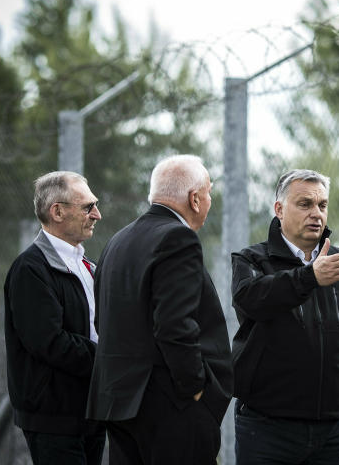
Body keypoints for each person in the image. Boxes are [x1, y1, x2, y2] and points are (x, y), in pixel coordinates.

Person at [231, 169, 339, 465]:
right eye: (305, 204)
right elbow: (251, 300)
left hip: (332, 429)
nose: (316, 213)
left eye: (322, 205)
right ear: (279, 209)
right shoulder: (252, 259)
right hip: (266, 428)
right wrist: (309, 277)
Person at [87, 155, 233, 465]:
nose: (209, 200)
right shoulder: (177, 238)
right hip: (171, 407)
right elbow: (174, 325)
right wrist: (195, 388)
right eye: (208, 192)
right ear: (194, 199)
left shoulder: (117, 240)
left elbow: (103, 321)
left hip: (120, 403)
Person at [5, 171, 108, 464]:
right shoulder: (30, 269)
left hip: (90, 410)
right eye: (87, 206)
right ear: (58, 211)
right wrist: (109, 359)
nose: (97, 215)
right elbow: (49, 342)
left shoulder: (88, 265)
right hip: (55, 419)